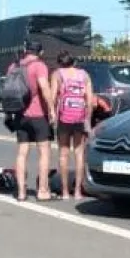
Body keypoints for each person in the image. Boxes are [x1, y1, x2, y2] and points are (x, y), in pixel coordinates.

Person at [5, 41, 56, 202]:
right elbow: (44, 88)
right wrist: (52, 109)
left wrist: (8, 115)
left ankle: (21, 192)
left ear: (26, 50)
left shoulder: (14, 67)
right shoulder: (39, 66)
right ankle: (42, 191)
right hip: (38, 115)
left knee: (21, 153)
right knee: (44, 152)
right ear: (40, 52)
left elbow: (8, 92)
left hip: (20, 115)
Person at [49, 51, 96, 199]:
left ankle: (64, 192)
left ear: (59, 63)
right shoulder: (84, 75)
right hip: (80, 117)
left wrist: (52, 114)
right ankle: (77, 191)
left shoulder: (57, 74)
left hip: (64, 118)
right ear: (73, 62)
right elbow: (89, 100)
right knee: (79, 153)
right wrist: (87, 118)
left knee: (63, 153)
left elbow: (52, 97)